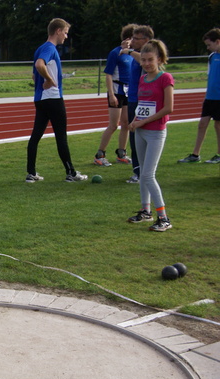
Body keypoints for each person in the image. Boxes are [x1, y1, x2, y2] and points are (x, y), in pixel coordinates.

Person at [25, 18, 87, 183]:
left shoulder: (40, 48)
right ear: (58, 31)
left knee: (36, 136)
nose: (66, 37)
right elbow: (39, 65)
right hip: (53, 98)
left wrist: (46, 79)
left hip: (40, 99)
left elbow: (33, 74)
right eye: (65, 33)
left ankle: (31, 173)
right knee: (61, 136)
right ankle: (71, 173)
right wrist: (51, 80)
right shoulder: (49, 49)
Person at [126, 40, 174, 232]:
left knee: (148, 174)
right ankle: (146, 211)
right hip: (140, 131)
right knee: (142, 174)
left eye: (150, 60)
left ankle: (163, 217)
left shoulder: (165, 78)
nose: (146, 63)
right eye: (143, 60)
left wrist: (141, 122)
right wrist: (135, 121)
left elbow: (168, 108)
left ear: (159, 59)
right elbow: (143, 106)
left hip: (155, 132)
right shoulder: (142, 79)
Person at [94, 24, 136, 166]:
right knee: (113, 125)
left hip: (128, 91)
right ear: (129, 38)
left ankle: (121, 153)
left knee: (126, 124)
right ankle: (100, 154)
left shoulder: (132, 54)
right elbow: (108, 75)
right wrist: (111, 95)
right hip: (117, 91)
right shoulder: (115, 53)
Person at [178, 28, 220, 164]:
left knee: (218, 126)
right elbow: (210, 76)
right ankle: (195, 155)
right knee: (202, 124)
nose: (208, 48)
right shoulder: (212, 57)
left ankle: (219, 154)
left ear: (218, 42)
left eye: (209, 45)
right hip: (210, 97)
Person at [120, 25, 154, 183]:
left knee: (142, 136)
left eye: (136, 38)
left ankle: (142, 173)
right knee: (134, 136)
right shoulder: (137, 55)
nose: (132, 41)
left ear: (146, 40)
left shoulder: (147, 57)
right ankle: (138, 170)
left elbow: (143, 61)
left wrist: (128, 51)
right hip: (133, 99)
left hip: (142, 101)